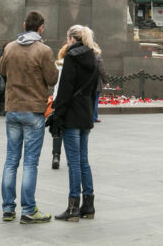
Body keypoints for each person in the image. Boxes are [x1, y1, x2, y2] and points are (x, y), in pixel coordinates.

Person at [0, 10, 60, 224]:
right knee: (30, 164)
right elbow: (52, 78)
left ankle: (7, 209)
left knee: (11, 161)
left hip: (13, 109)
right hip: (33, 111)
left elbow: (2, 70)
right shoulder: (43, 50)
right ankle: (28, 210)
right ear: (41, 27)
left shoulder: (10, 47)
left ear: (24, 25)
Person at [52, 25, 101, 221]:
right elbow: (93, 90)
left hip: (72, 114)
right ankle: (88, 205)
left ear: (71, 39)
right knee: (83, 161)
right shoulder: (93, 56)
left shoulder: (72, 57)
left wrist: (58, 114)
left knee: (73, 161)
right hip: (86, 113)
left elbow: (65, 89)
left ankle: (73, 207)